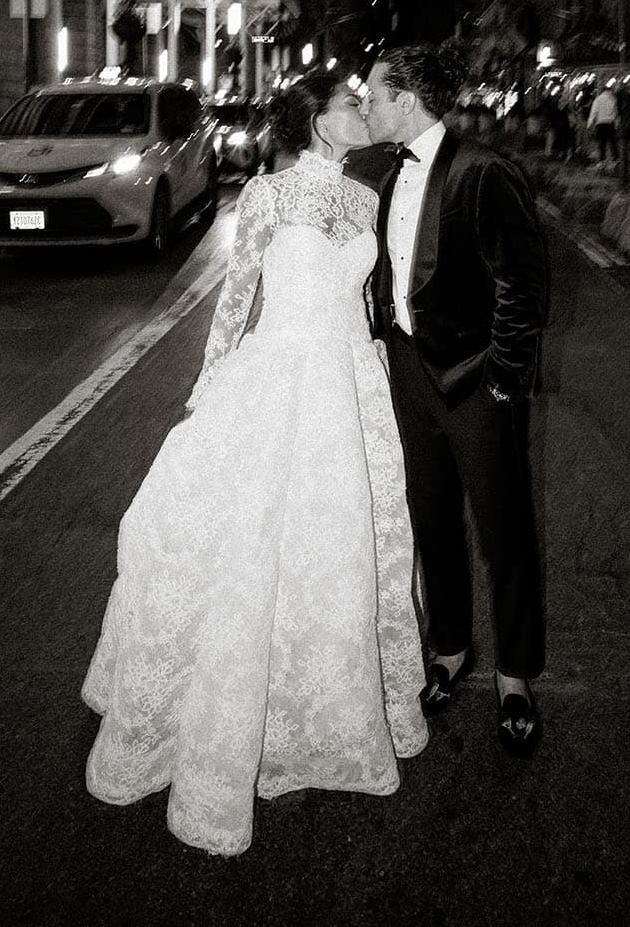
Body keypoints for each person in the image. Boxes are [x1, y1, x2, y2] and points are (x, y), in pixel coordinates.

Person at [82, 70, 428, 856]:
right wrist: (213, 380)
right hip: (280, 377)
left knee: (338, 549)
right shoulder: (269, 197)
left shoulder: (366, 198)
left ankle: (327, 712)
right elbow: (237, 298)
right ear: (315, 121)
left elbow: (368, 298)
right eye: (348, 104)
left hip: (350, 383)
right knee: (249, 547)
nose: (361, 110)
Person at [364, 42, 549, 758]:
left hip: (476, 381)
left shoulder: (483, 172)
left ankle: (515, 675)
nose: (369, 103)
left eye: (375, 93)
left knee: (504, 531)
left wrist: (503, 379)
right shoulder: (385, 174)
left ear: (407, 99)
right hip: (410, 375)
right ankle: (448, 648)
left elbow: (523, 286)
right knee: (432, 518)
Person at [587, 80, 619, 168]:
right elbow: (615, 113)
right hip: (610, 123)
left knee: (602, 142)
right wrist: (616, 124)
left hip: (600, 124)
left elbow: (593, 112)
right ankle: (616, 158)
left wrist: (589, 124)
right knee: (612, 142)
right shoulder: (613, 99)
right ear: (609, 91)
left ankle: (602, 161)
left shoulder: (598, 100)